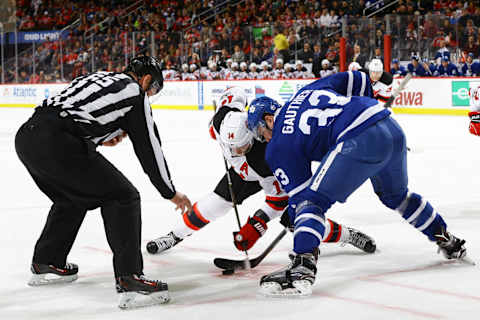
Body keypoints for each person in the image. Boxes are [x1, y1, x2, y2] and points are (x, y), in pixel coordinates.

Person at [247, 75, 468, 297]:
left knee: (311, 203)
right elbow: (359, 79)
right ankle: (447, 239)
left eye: (260, 131)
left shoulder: (277, 146)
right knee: (397, 196)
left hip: (358, 139)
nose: (263, 138)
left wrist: (295, 214)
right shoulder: (305, 91)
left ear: (269, 119)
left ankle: (301, 269)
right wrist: (366, 113)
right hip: (389, 126)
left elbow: (302, 197)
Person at [15, 56, 193, 309]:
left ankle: (47, 262)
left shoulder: (98, 77)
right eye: (152, 89)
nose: (150, 95)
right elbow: (150, 150)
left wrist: (97, 138)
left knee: (71, 197)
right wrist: (170, 192)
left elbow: (73, 113)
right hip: (58, 140)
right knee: (123, 196)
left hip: (27, 137)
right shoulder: (135, 93)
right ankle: (130, 279)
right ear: (145, 79)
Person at [146, 88, 376, 256]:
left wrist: (258, 223)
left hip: (265, 176)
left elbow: (276, 200)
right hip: (242, 174)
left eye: (242, 147)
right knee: (212, 205)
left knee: (295, 221)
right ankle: (174, 235)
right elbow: (235, 93)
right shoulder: (222, 120)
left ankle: (347, 234)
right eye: (231, 147)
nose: (236, 150)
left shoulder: (268, 155)